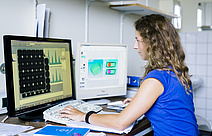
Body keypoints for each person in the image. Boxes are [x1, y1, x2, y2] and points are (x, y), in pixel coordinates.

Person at [59, 14, 200, 135]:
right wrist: (141, 102)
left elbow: (120, 123)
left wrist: (84, 115)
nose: (134, 46)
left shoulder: (156, 79)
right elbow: (171, 106)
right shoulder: (174, 70)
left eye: (138, 40)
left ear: (153, 43)